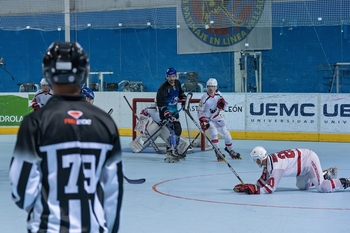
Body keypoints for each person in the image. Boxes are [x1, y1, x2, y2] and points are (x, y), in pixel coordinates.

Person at [9, 42, 123, 232]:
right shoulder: (105, 123)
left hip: (48, 226)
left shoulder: (35, 122)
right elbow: (113, 192)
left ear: (47, 73)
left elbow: (22, 191)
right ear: (84, 72)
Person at [234, 146, 350, 194]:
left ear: (259, 159)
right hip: (302, 168)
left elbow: (270, 188)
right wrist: (250, 187)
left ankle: (346, 181)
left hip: (309, 160)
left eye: (256, 160)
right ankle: (324, 174)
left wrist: (255, 190)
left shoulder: (276, 166)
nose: (255, 162)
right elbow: (263, 180)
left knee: (322, 187)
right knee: (302, 187)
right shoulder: (268, 161)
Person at [197, 78, 241, 161]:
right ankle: (217, 151)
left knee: (227, 136)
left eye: (213, 86)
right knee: (214, 133)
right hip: (208, 119)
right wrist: (203, 120)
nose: (211, 88)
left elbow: (226, 106)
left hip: (217, 117)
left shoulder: (219, 95)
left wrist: (223, 104)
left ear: (216, 87)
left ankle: (230, 149)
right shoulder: (204, 98)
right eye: (209, 86)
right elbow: (199, 110)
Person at [156, 67, 187, 163]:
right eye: (170, 76)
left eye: (173, 76)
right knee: (172, 131)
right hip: (166, 114)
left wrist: (184, 98)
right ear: (166, 77)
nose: (172, 78)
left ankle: (175, 150)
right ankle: (170, 151)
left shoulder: (177, 83)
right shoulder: (163, 88)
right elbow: (160, 103)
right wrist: (166, 112)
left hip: (174, 112)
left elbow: (180, 93)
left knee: (178, 130)